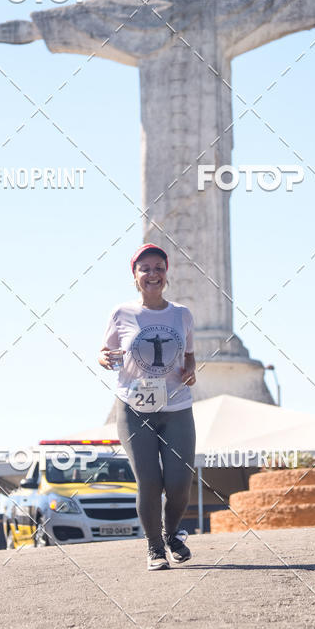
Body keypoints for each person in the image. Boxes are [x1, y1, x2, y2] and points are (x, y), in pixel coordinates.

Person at [99, 244, 197, 570]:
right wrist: (105, 358)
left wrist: (190, 371)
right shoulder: (122, 314)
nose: (152, 274)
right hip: (133, 406)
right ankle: (155, 547)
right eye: (145, 269)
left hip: (177, 406)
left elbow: (190, 355)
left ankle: (171, 534)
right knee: (149, 481)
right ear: (135, 276)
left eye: (158, 268)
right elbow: (105, 351)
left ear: (166, 273)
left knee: (180, 483)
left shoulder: (182, 314)